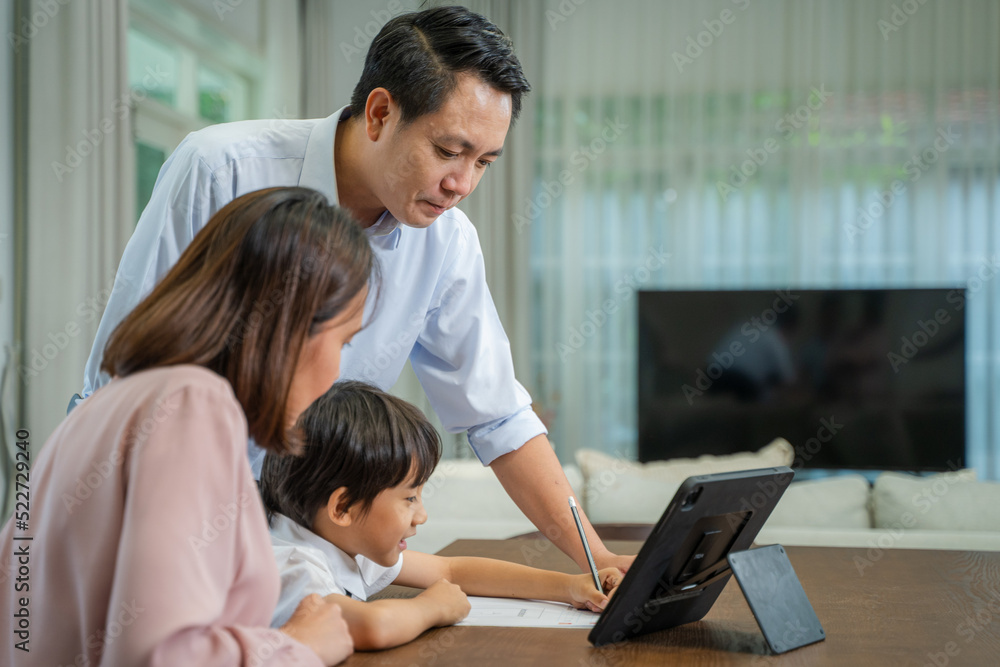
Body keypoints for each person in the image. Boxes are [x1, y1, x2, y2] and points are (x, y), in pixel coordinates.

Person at [74, 6, 633, 574]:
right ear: (381, 112)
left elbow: (499, 416)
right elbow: (123, 380)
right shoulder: (222, 170)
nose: (462, 184)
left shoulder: (446, 241)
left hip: (301, 542)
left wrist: (599, 559)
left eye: (484, 161)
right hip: (167, 519)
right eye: (447, 151)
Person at [1, 188, 372, 666]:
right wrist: (297, 646)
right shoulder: (191, 406)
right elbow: (164, 655)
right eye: (343, 341)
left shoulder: (108, 407)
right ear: (290, 326)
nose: (337, 372)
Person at [260, 381, 622, 650]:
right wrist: (431, 608)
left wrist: (569, 587)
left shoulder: (338, 541)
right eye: (410, 498)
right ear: (343, 507)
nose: (422, 516)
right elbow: (371, 626)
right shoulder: (292, 565)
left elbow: (451, 570)